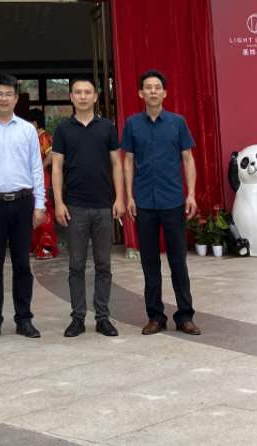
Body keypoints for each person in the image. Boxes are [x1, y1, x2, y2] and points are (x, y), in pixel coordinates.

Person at [121, 69, 201, 336]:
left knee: (178, 261)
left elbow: (188, 158)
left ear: (165, 93)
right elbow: (128, 161)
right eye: (148, 87)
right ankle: (155, 317)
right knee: (150, 263)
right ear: (140, 93)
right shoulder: (133, 124)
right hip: (144, 202)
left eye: (157, 87)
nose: (153, 91)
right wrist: (129, 196)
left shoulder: (177, 122)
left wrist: (191, 194)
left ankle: (185, 316)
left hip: (173, 201)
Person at [0, 73, 45, 340]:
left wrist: (40, 204)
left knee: (23, 264)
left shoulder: (27, 130)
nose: (4, 98)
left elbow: (36, 168)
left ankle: (24, 319)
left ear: (16, 98)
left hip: (23, 202)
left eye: (9, 94)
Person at [52, 77, 126, 338]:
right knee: (76, 265)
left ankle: (103, 317)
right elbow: (57, 166)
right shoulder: (63, 129)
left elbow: (116, 164)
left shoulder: (107, 127)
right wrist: (58, 202)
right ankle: (78, 317)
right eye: (78, 92)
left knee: (104, 264)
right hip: (75, 206)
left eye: (87, 92)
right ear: (71, 97)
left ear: (95, 97)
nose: (82, 96)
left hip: (104, 206)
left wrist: (119, 198)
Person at [28, 112, 59, 259]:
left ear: (35, 122)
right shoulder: (33, 136)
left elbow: (51, 154)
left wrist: (40, 166)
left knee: (44, 210)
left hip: (42, 178)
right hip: (31, 179)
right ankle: (36, 245)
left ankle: (46, 246)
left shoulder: (43, 137)